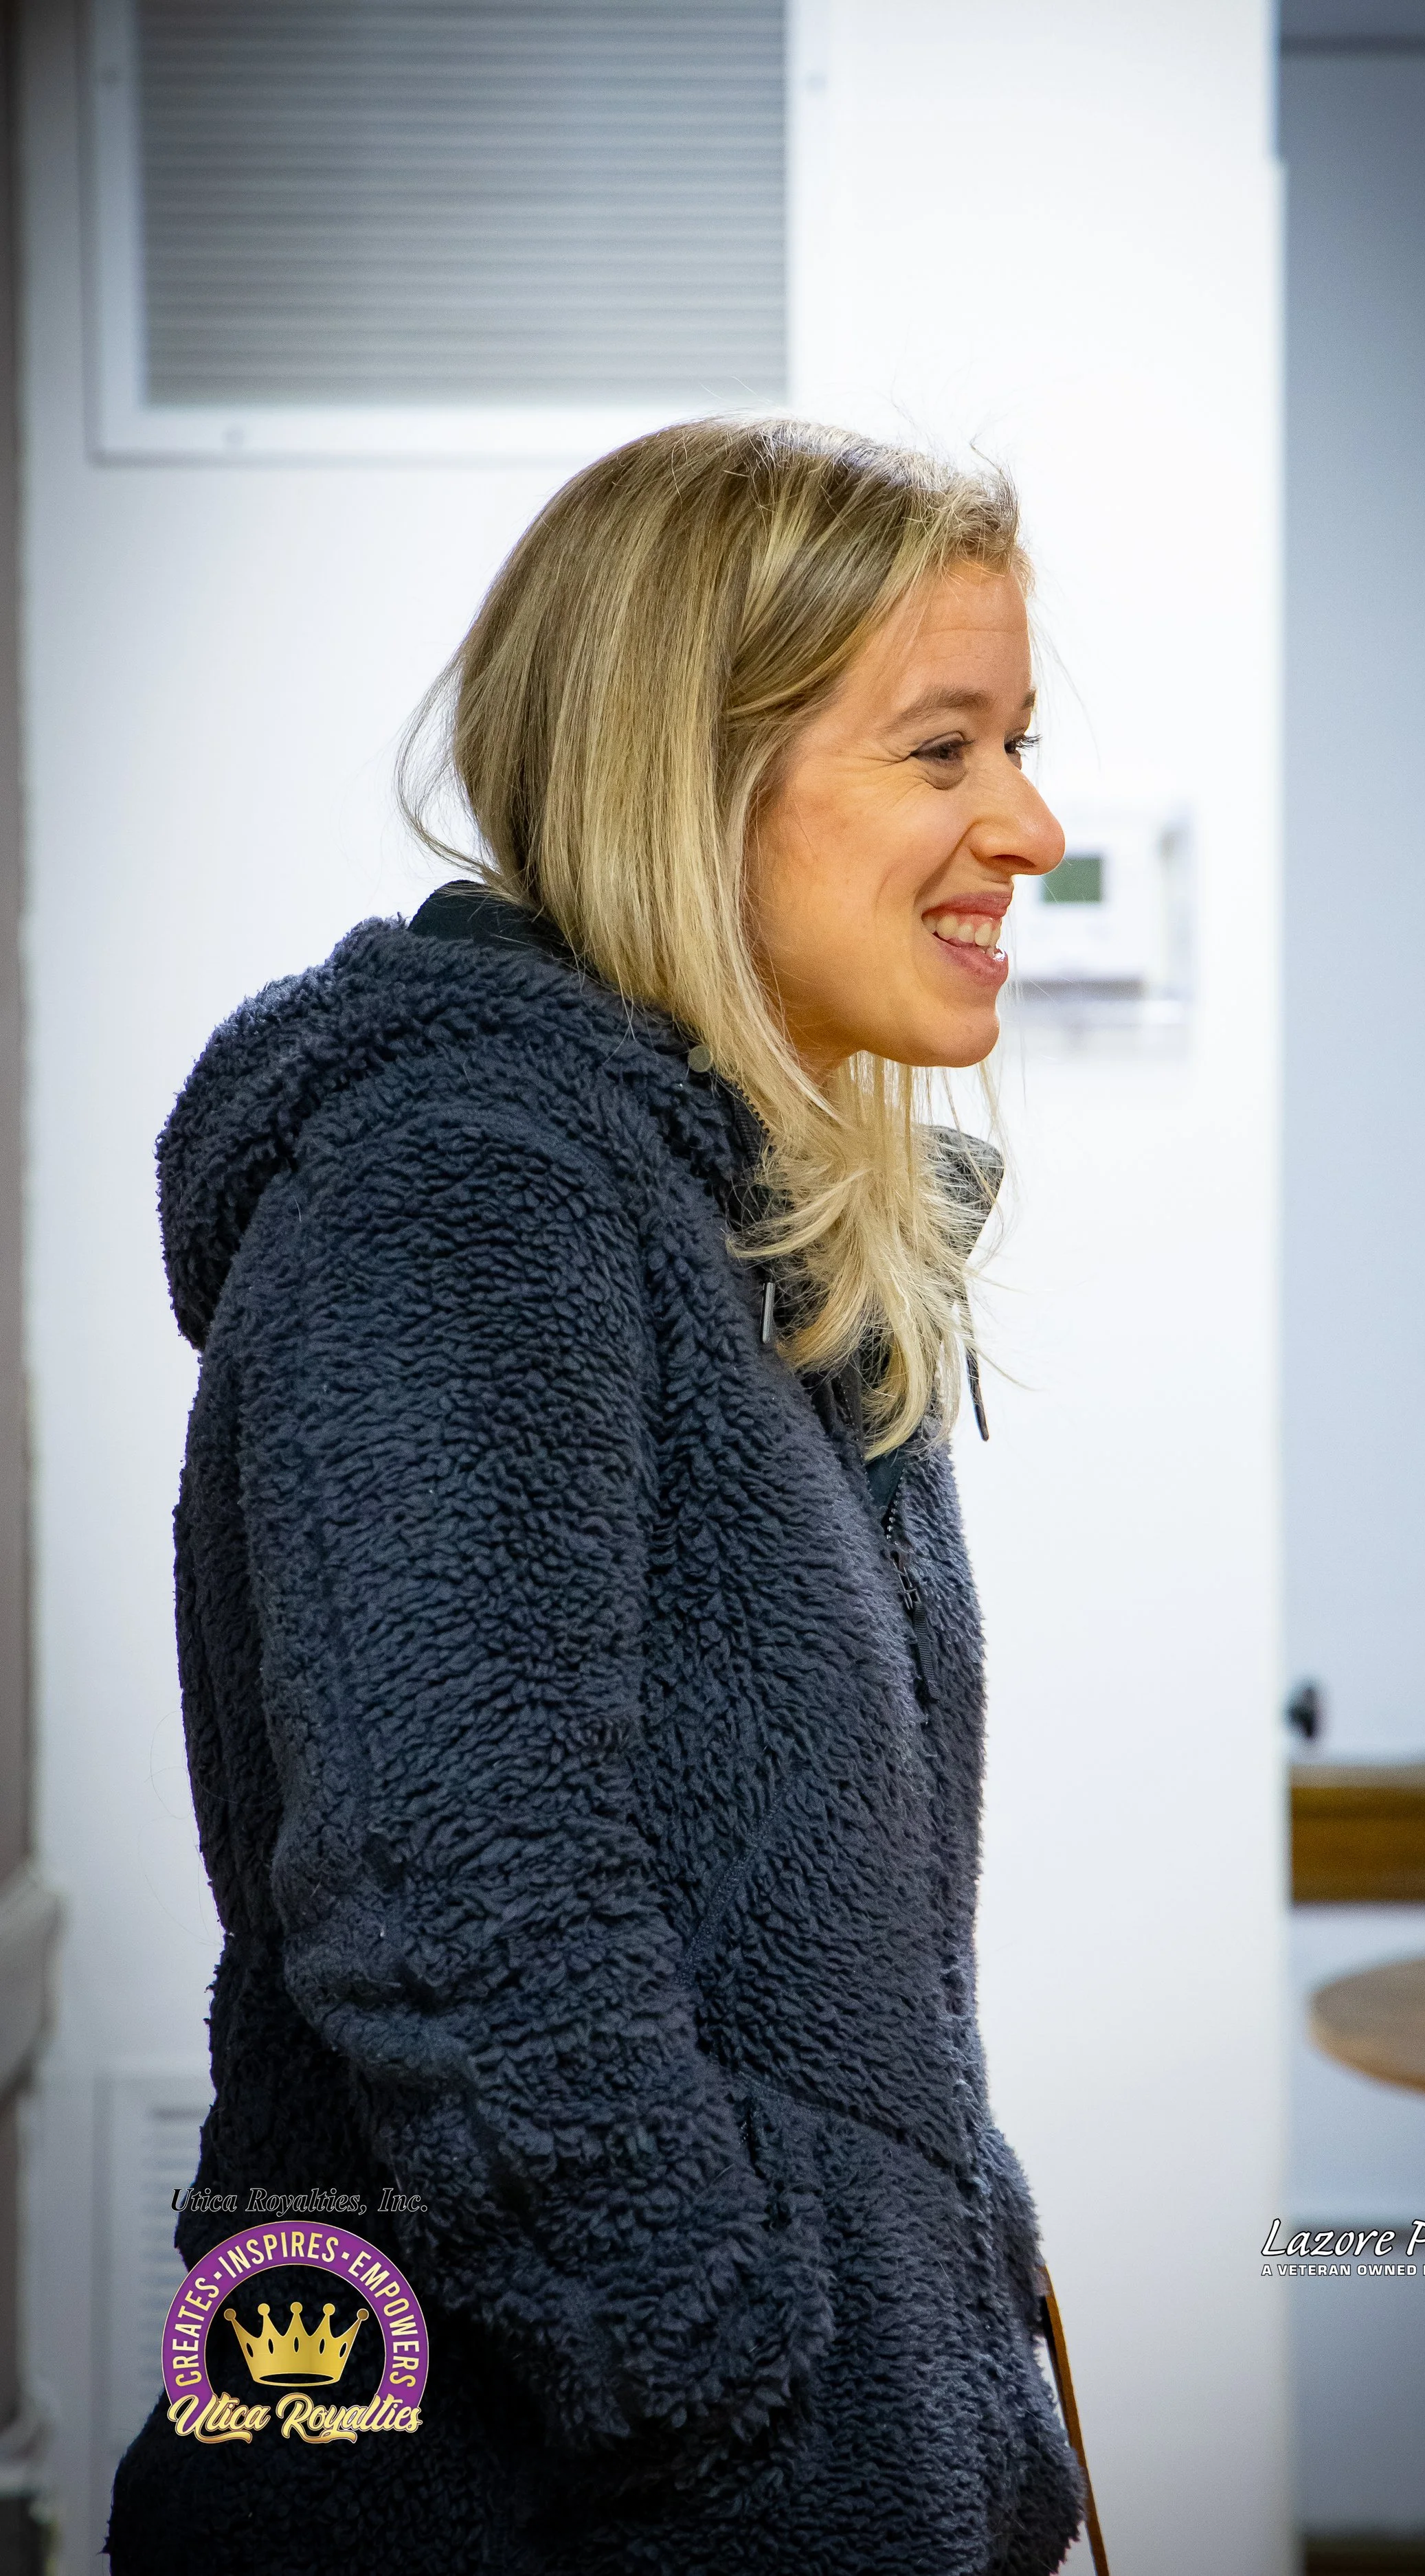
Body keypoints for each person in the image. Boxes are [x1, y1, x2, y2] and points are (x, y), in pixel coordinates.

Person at [106, 418, 1084, 2575]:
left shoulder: (733, 1215)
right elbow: (459, 1904)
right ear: (689, 772)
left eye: (1017, 741)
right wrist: (730, 2389)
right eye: (943, 749)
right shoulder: (466, 1185)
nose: (1030, 824)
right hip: (537, 2512)